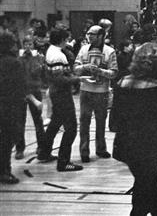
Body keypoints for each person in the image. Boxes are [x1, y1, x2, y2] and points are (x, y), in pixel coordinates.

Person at [111, 43, 157, 216]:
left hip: (126, 142)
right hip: (150, 143)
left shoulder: (122, 83)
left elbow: (114, 119)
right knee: (148, 182)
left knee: (146, 180)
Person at [39, 28, 83, 172]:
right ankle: (63, 162)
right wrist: (78, 78)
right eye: (67, 39)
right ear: (62, 40)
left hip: (55, 92)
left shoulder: (50, 51)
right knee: (71, 128)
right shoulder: (58, 55)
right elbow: (60, 79)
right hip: (61, 94)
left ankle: (44, 152)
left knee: (55, 123)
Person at [74, 25, 118, 163]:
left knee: (101, 121)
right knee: (84, 121)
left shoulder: (110, 51)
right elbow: (75, 69)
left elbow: (114, 72)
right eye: (88, 34)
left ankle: (101, 148)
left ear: (101, 36)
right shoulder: (83, 49)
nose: (89, 36)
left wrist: (100, 72)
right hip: (85, 90)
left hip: (101, 91)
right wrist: (85, 67)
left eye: (92, 34)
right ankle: (84, 151)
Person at [0, 32, 27, 184]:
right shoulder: (14, 63)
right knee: (7, 139)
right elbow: (20, 86)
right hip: (10, 106)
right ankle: (4, 171)